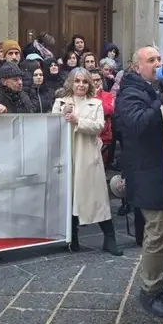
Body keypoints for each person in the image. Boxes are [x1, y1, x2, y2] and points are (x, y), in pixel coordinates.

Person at [115, 46, 163, 318]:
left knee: (162, 231)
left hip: (158, 170)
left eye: (159, 59)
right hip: (144, 172)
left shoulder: (152, 89)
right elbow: (139, 123)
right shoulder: (130, 92)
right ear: (136, 67)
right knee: (157, 231)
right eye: (151, 60)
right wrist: (162, 102)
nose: (158, 64)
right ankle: (150, 290)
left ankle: (156, 284)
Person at [52, 68, 122, 256]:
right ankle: (72, 238)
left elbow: (98, 126)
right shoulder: (60, 102)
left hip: (88, 156)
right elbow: (52, 127)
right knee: (70, 196)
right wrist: (61, 115)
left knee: (96, 198)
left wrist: (77, 120)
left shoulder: (95, 103)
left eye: (84, 81)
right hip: (68, 155)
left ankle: (110, 238)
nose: (81, 85)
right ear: (71, 83)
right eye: (77, 81)